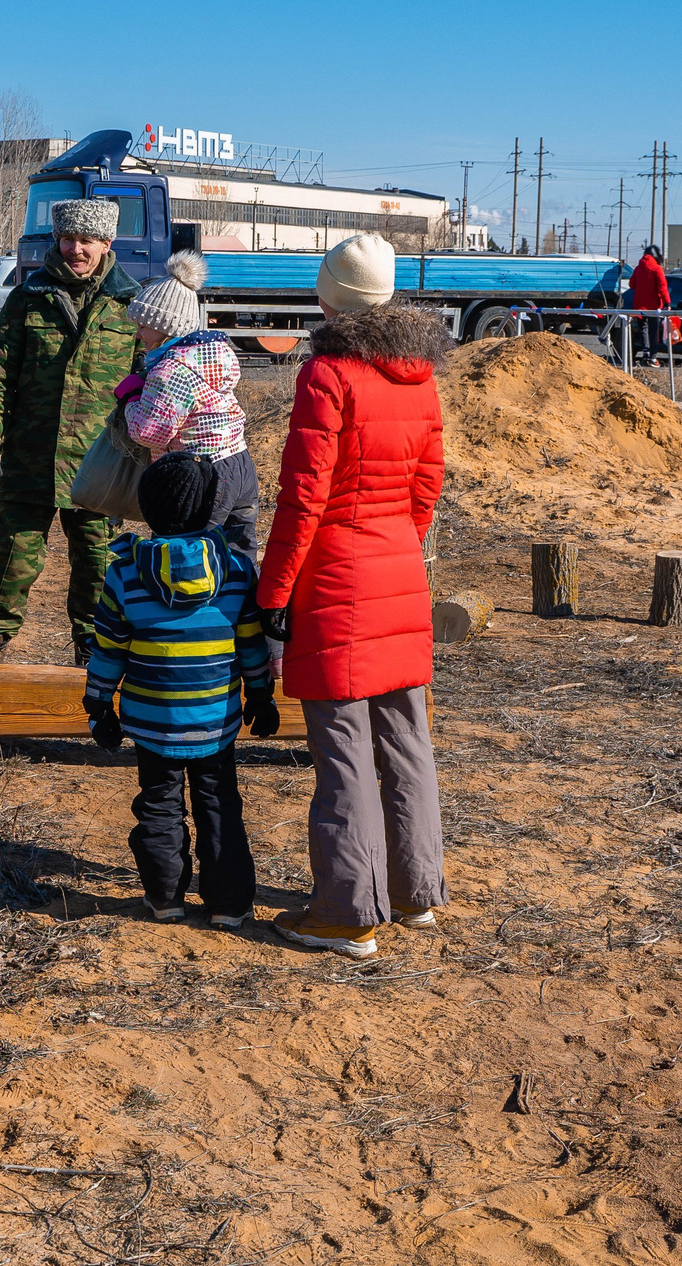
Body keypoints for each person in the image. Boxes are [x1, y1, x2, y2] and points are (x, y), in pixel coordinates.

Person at [255, 232, 450, 960]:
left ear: (329, 296)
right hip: (399, 567)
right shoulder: (420, 374)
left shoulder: (329, 372)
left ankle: (346, 911)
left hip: (338, 575)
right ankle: (414, 890)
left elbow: (303, 495)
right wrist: (398, 541)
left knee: (342, 747)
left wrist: (276, 591)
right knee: (407, 737)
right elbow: (426, 485)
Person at [84, 452, 276, 928]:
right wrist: (261, 694)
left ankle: (166, 899)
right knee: (220, 806)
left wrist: (98, 702)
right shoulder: (234, 569)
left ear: (146, 510)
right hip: (216, 720)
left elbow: (108, 647)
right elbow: (251, 640)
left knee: (158, 805)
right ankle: (229, 906)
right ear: (211, 506)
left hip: (152, 723)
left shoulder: (124, 572)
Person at [0, 197, 141, 663]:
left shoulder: (131, 304)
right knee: (13, 560)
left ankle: (95, 651)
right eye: (67, 239)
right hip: (31, 455)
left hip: (100, 460)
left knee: (97, 563)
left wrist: (146, 453)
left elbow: (151, 383)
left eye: (86, 240)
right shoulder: (28, 299)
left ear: (107, 243)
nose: (75, 250)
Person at [116, 250, 258, 554]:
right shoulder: (214, 354)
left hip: (199, 474)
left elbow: (151, 433)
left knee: (192, 553)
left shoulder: (170, 369)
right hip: (239, 462)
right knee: (238, 550)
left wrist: (129, 399)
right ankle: (244, 599)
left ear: (166, 326)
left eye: (143, 324)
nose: (138, 332)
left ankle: (196, 603)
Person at [628, 243, 671, 360]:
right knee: (654, 331)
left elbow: (631, 285)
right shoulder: (657, 269)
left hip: (639, 305)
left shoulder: (638, 268)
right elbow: (662, 287)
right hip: (653, 305)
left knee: (643, 328)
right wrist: (667, 303)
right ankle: (653, 356)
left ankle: (645, 351)